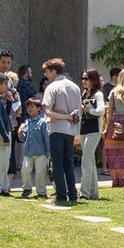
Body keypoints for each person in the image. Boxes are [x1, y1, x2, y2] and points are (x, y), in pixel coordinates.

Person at [41, 58, 83, 204]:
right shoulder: (75, 87)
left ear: (53, 71)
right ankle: (72, 193)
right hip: (71, 130)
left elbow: (48, 112)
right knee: (68, 163)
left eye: (47, 71)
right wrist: (77, 132)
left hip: (57, 128)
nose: (46, 74)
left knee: (57, 163)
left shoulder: (52, 87)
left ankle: (60, 195)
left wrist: (65, 117)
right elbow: (78, 113)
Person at [76, 69, 106, 199]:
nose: (83, 81)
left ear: (93, 80)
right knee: (90, 161)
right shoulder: (84, 93)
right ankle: (93, 193)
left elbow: (101, 111)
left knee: (86, 159)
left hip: (94, 129)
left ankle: (85, 192)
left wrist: (87, 109)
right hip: (84, 128)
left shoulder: (98, 94)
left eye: (86, 79)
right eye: (82, 78)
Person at [18, 98, 50, 198]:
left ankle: (41, 192)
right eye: (28, 107)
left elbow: (46, 138)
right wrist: (20, 133)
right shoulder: (27, 122)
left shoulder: (42, 122)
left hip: (41, 152)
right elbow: (23, 139)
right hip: (28, 152)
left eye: (32, 107)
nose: (29, 109)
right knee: (25, 170)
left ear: (38, 108)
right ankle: (27, 189)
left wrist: (48, 152)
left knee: (40, 173)